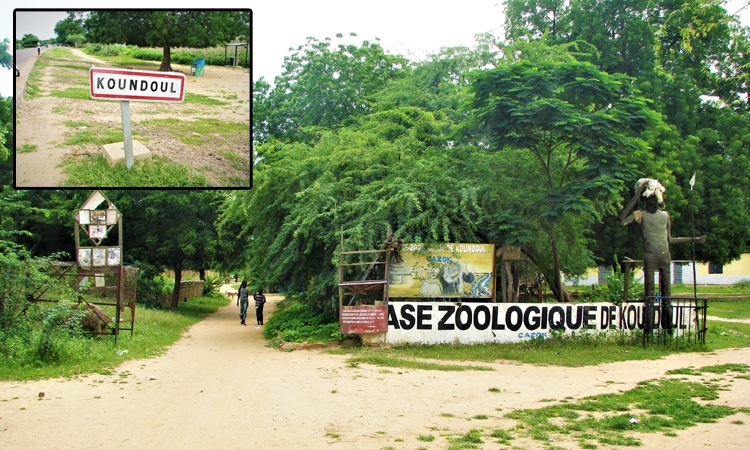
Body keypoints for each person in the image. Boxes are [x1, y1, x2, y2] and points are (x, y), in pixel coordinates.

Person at [621, 178, 704, 331]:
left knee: (652, 294)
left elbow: (623, 219)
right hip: (664, 255)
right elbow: (670, 240)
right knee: (666, 294)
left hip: (653, 256)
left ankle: (653, 329)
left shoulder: (641, 214)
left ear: (644, 200)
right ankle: (666, 328)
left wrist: (635, 197)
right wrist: (695, 239)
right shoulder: (663, 215)